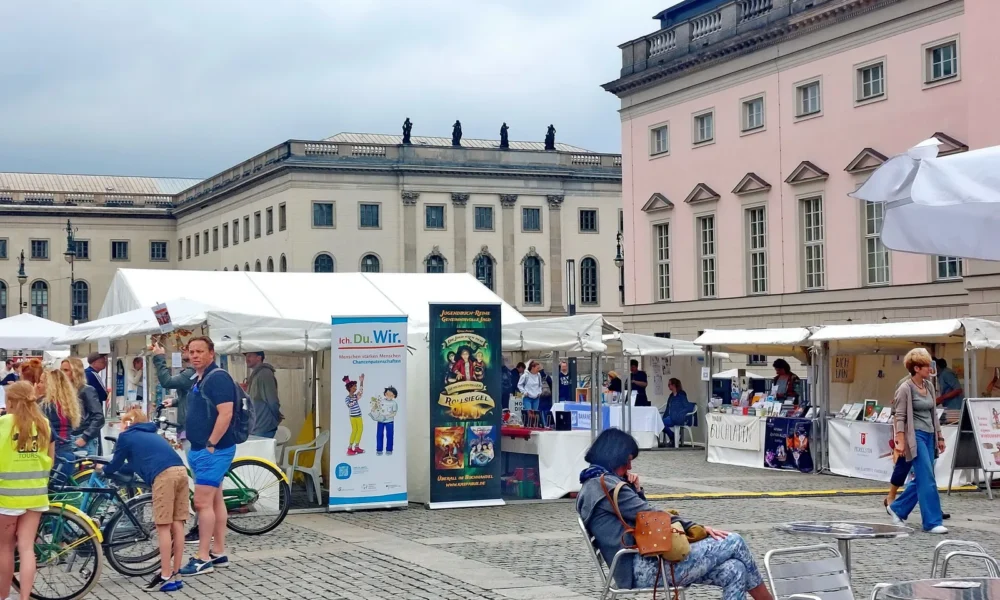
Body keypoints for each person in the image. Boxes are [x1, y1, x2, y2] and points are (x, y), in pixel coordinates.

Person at [577, 428, 773, 600]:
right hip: (640, 569)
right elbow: (651, 515)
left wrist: (633, 488)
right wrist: (698, 528)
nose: (630, 467)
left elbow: (636, 514)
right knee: (735, 541)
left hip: (637, 563)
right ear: (615, 457)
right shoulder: (607, 487)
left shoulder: (594, 483)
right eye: (628, 461)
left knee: (734, 570)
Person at [100, 408, 187, 592]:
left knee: (163, 526)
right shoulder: (151, 434)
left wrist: (102, 469)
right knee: (178, 523)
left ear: (127, 423)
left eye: (122, 422)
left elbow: (115, 464)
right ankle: (177, 574)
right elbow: (130, 467)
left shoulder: (126, 437)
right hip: (180, 471)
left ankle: (165, 575)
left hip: (163, 476)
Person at [179, 336, 237, 576]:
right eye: (191, 351)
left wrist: (211, 443)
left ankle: (202, 557)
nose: (195, 355)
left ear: (211, 353)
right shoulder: (200, 377)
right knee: (215, 500)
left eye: (200, 351)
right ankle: (218, 551)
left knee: (202, 503)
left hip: (212, 450)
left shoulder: (218, 378)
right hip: (203, 448)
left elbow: (226, 414)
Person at [0, 381, 54, 600]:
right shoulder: (44, 424)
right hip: (36, 494)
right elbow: (50, 460)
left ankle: (2, 596)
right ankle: (24, 598)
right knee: (26, 548)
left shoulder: (4, 423)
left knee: (4, 548)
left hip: (9, 496)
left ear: (11, 401)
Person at [886, 348, 947, 534]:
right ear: (917, 368)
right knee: (927, 477)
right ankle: (932, 522)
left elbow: (933, 414)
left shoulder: (928, 386)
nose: (930, 368)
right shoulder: (905, 388)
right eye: (927, 365)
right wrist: (901, 440)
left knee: (924, 477)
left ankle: (897, 508)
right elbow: (900, 416)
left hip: (929, 435)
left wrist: (939, 436)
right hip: (916, 435)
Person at [40, 368, 82, 484]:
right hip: (67, 452)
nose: (39, 385)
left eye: (42, 382)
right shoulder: (68, 404)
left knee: (52, 496)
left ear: (50, 385)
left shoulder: (45, 406)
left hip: (55, 455)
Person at [61, 358, 105, 456]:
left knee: (86, 470)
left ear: (75, 372)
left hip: (82, 438)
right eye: (62, 370)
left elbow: (99, 416)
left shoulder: (86, 390)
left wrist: (85, 437)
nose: (62, 373)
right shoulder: (64, 392)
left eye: (66, 370)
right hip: (68, 438)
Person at [152, 342, 195, 436]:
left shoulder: (191, 373)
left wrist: (159, 357)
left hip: (188, 428)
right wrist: (175, 401)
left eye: (186, 348)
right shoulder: (193, 373)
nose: (183, 349)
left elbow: (166, 382)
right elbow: (192, 398)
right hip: (188, 427)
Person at [244, 352, 281, 438]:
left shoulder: (265, 374)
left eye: (250, 356)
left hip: (263, 426)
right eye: (246, 356)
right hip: (257, 426)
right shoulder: (256, 374)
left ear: (259, 358)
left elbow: (272, 401)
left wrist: (277, 416)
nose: (247, 359)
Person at [661, 378, 694, 448]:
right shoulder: (671, 396)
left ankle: (673, 437)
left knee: (660, 423)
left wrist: (680, 413)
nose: (668, 386)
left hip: (678, 416)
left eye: (669, 384)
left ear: (673, 385)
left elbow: (686, 406)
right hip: (671, 416)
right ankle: (673, 436)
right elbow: (668, 407)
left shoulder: (681, 394)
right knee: (659, 423)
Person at [343, 374, 365, 455]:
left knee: (360, 430)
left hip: (358, 415)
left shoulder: (355, 396)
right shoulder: (347, 398)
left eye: (356, 387)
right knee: (354, 431)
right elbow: (349, 405)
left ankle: (357, 446)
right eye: (353, 387)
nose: (355, 388)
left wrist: (361, 381)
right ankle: (349, 448)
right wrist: (355, 399)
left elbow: (361, 391)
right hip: (353, 417)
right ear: (349, 388)